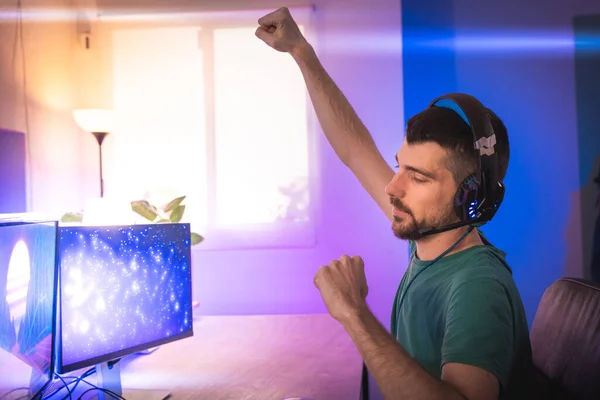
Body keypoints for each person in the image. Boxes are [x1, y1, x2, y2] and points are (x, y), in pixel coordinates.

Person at [255, 7, 533, 400]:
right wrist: (302, 52)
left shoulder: (476, 286)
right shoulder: (431, 231)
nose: (392, 186)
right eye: (399, 165)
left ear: (470, 196)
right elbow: (355, 148)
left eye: (418, 177)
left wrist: (354, 313)